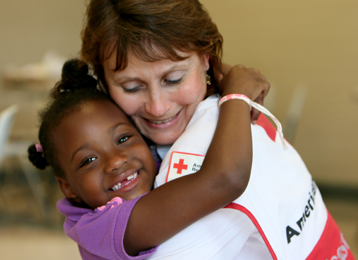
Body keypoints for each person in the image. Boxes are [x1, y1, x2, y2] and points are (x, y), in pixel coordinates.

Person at [80, 0, 355, 259]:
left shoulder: (196, 153)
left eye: (173, 79)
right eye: (132, 87)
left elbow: (226, 179)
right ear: (101, 79)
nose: (158, 107)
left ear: (206, 58)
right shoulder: (227, 110)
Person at [28, 59, 264, 259]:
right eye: (88, 160)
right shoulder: (103, 228)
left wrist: (216, 72)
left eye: (122, 139)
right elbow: (226, 180)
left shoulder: (150, 160)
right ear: (68, 188)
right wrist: (236, 96)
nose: (116, 161)